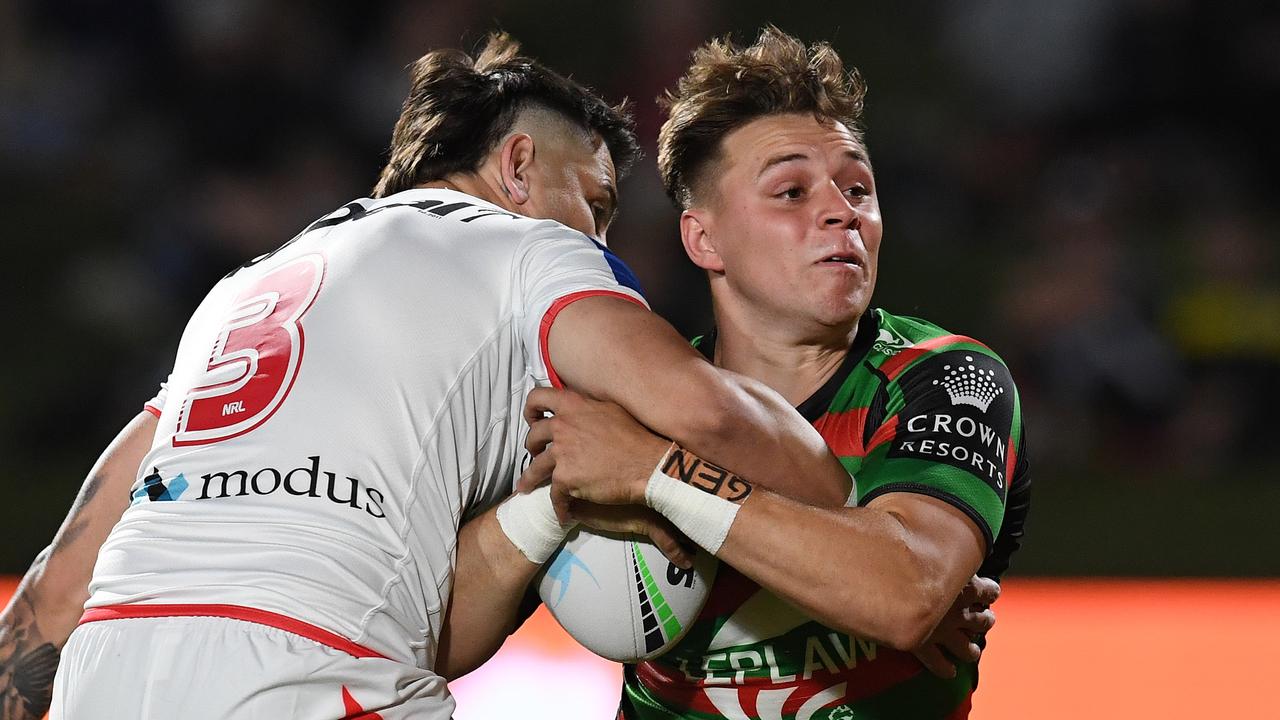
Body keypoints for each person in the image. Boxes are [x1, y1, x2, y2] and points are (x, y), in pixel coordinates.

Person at [1, 33, 853, 720]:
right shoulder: (530, 250)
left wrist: (540, 508)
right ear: (517, 169)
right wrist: (860, 536)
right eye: (594, 205)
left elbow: (51, 592)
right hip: (306, 673)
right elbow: (713, 420)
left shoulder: (246, 292)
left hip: (109, 678)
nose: (599, 243)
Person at [513, 28, 1032, 719]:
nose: (842, 212)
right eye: (790, 191)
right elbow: (457, 621)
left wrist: (661, 475)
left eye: (858, 188)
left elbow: (904, 596)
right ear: (705, 239)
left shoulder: (945, 378)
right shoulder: (625, 402)